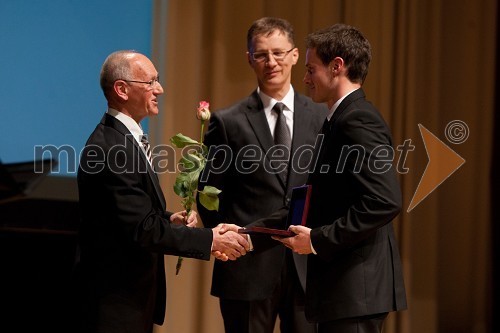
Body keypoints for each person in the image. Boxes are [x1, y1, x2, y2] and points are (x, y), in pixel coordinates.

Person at [74, 50, 250, 333]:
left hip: (130, 298)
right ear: (122, 89)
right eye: (151, 82)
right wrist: (210, 240)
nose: (160, 89)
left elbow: (130, 216)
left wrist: (168, 219)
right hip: (114, 304)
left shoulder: (121, 140)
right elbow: (143, 230)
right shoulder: (111, 148)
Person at [274, 24, 407, 333]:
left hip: (356, 289)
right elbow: (314, 200)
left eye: (311, 69)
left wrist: (317, 240)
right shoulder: (339, 119)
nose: (305, 79)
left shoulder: (357, 119)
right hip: (345, 291)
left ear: (337, 67)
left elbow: (384, 201)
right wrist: (250, 232)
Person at [197, 17, 327, 333]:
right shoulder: (227, 122)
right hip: (247, 271)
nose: (272, 62)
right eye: (262, 54)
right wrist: (227, 242)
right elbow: (208, 195)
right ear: (249, 59)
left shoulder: (323, 117)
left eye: (279, 53)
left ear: (296, 55)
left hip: (308, 268)